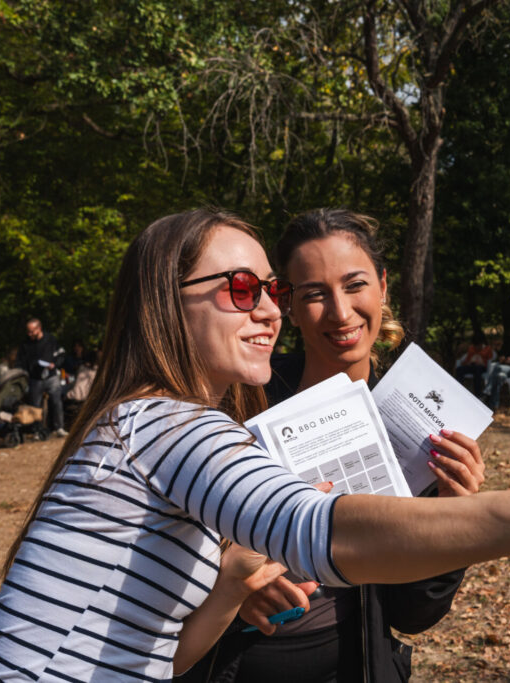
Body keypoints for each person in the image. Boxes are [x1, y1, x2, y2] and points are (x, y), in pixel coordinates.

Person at [0, 209, 510, 682]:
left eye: (269, 290)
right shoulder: (167, 424)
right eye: (242, 289)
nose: (270, 311)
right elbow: (320, 529)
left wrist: (230, 582)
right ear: (164, 303)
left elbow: (160, 656)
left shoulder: (143, 422)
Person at [184, 208, 487, 683]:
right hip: (228, 668)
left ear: (383, 287)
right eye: (314, 294)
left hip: (355, 667)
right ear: (286, 304)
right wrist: (230, 592)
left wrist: (455, 517)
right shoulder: (241, 399)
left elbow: (413, 614)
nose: (341, 312)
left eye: (354, 285)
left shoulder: (421, 426)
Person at [17, 318, 66, 437]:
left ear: (39, 329)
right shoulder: (25, 344)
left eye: (32, 331)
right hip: (35, 379)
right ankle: (37, 431)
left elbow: (61, 354)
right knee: (35, 405)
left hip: (51, 376)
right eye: (28, 331)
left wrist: (55, 364)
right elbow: (21, 361)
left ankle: (59, 427)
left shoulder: (50, 339)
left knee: (56, 401)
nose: (29, 334)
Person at [454, 328, 494, 396]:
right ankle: (458, 390)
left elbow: (490, 361)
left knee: (477, 370)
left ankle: (478, 394)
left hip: (482, 367)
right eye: (475, 346)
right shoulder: (471, 348)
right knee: (459, 370)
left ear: (482, 343)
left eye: (478, 346)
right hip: (472, 366)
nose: (477, 348)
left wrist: (481, 362)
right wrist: (469, 362)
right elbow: (465, 361)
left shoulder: (487, 349)